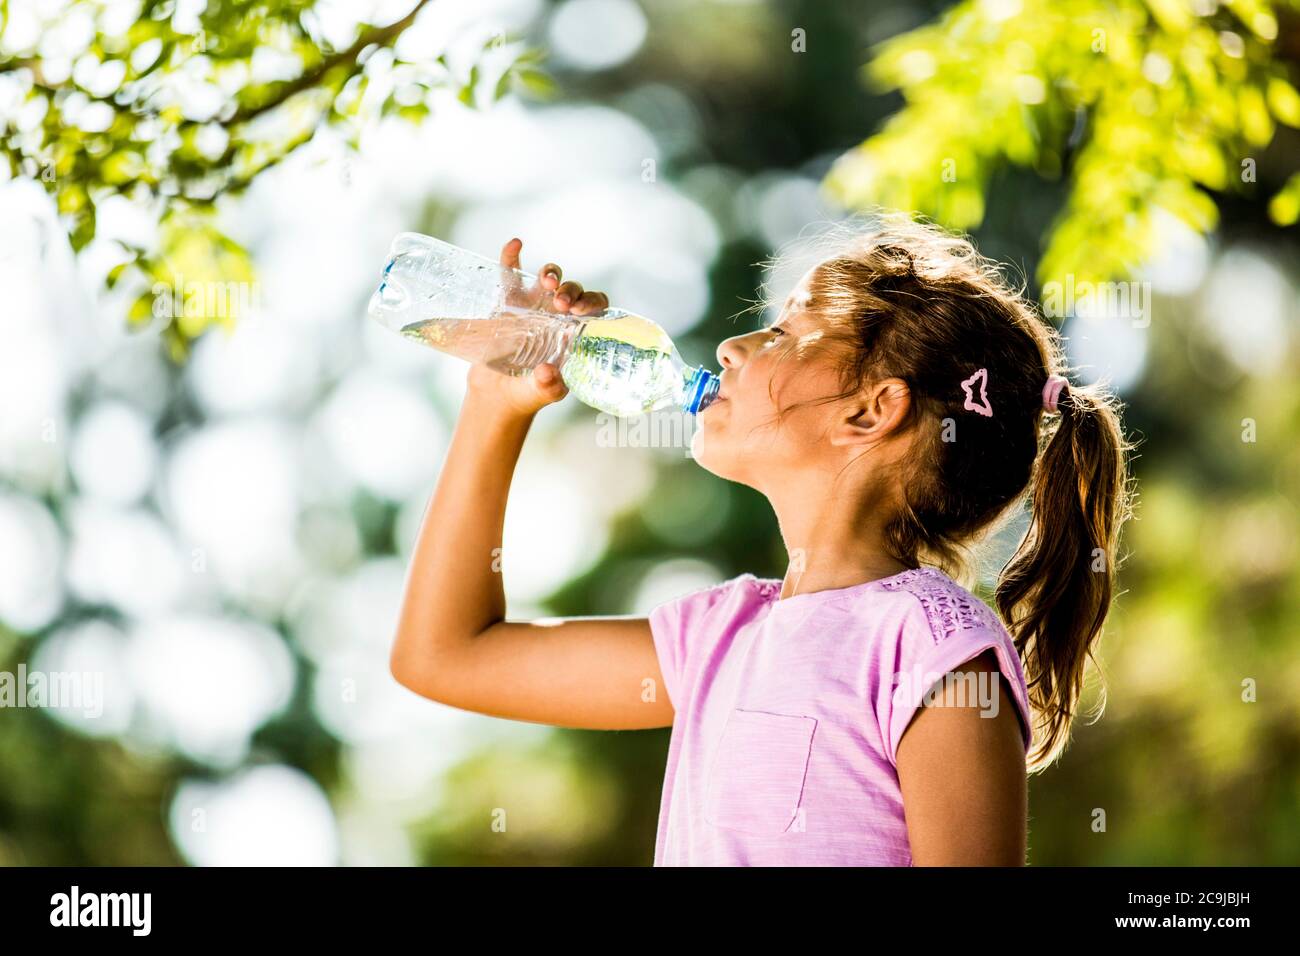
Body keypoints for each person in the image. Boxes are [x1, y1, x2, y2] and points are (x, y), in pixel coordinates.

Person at [388, 214, 1136, 866]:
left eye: (782, 332)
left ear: (871, 413)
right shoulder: (718, 637)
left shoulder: (931, 645)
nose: (732, 349)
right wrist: (496, 405)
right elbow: (447, 655)